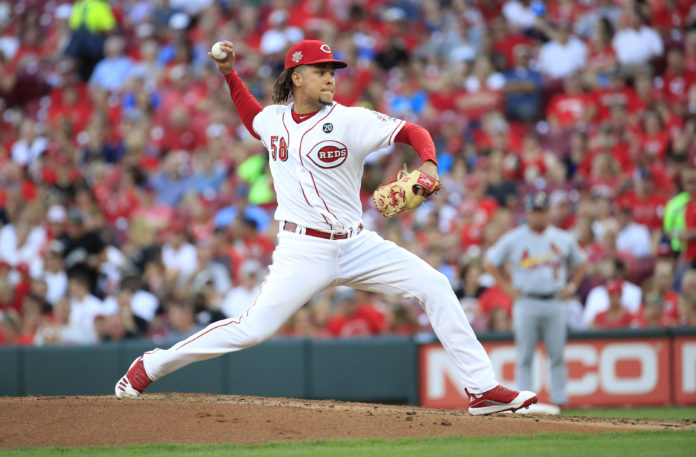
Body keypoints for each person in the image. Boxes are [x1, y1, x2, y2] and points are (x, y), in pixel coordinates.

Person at [114, 39, 537, 415]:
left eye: (332, 71)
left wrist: (428, 163)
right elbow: (252, 117)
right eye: (321, 71)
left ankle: (481, 389)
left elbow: (413, 130)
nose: (330, 78)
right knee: (250, 330)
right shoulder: (275, 120)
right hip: (303, 251)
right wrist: (230, 75)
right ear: (297, 77)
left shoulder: (352, 120)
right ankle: (151, 365)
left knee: (435, 286)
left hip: (357, 245)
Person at [483, 191, 588, 409]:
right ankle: (525, 400)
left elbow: (582, 262)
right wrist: (506, 288)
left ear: (548, 212)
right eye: (534, 212)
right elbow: (489, 262)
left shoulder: (562, 238)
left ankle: (560, 398)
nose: (538, 216)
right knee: (524, 355)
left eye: (541, 211)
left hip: (555, 300)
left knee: (557, 353)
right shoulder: (515, 238)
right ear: (528, 213)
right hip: (526, 301)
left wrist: (572, 286)